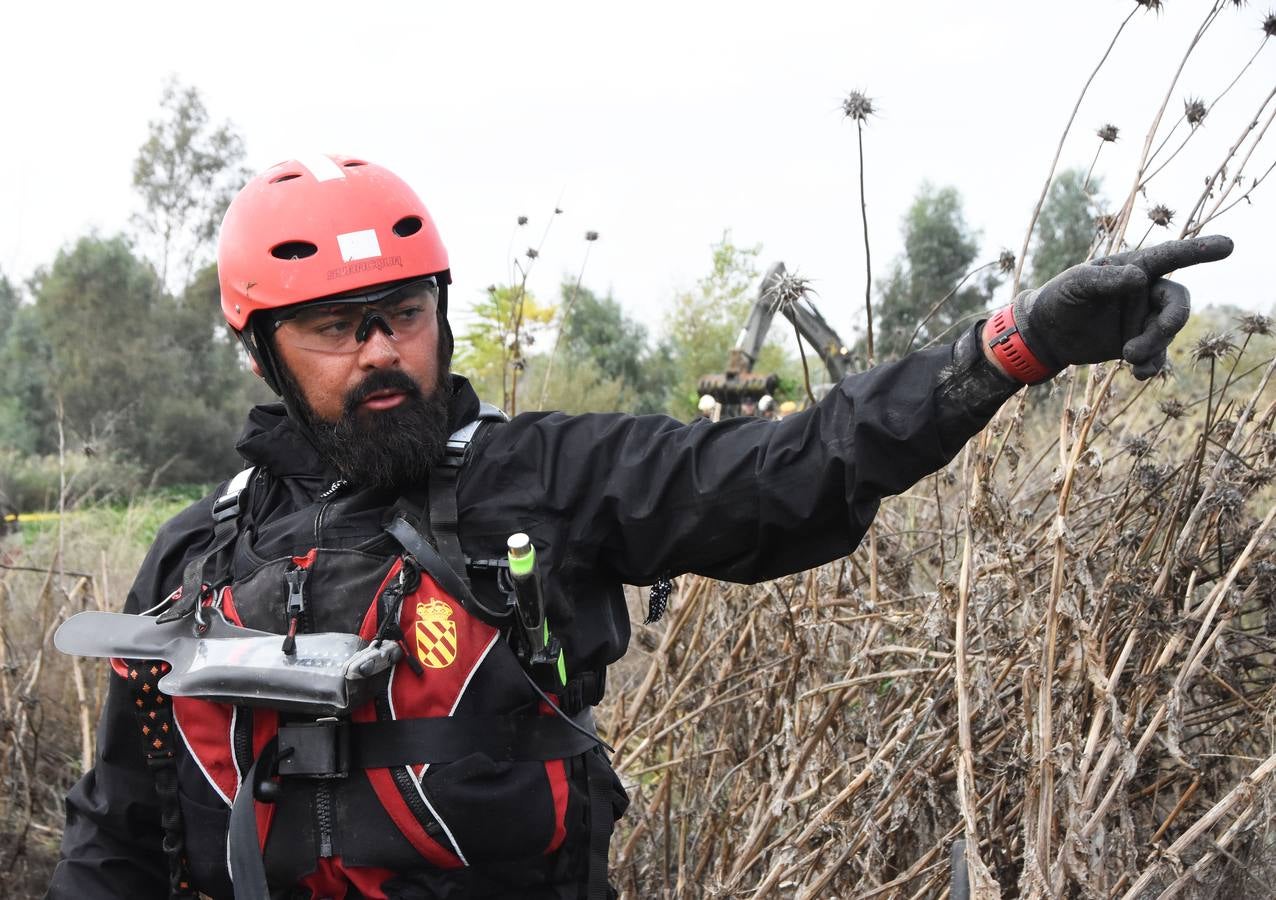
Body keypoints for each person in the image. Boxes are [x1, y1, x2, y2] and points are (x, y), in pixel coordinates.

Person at [47, 154, 1232, 900]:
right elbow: (120, 823)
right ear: (261, 348)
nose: (379, 353)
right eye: (336, 330)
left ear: (439, 316)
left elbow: (793, 468)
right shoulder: (194, 553)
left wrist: (1009, 348)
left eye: (401, 316)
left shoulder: (549, 478)